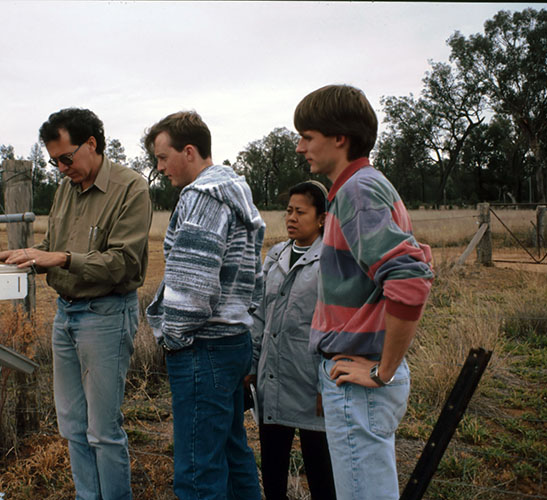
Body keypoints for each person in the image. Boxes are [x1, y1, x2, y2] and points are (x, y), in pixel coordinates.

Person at [0, 108, 152, 500]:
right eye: (54, 162)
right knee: (72, 426)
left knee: (103, 431)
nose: (62, 169)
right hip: (66, 315)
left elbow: (123, 263)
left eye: (66, 158)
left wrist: (61, 259)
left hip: (107, 315)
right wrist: (28, 255)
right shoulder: (66, 188)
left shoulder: (131, 189)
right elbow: (53, 247)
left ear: (92, 144)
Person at [293, 85, 434, 500]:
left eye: (308, 136)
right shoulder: (356, 189)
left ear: (340, 137)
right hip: (356, 380)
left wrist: (382, 370)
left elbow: (409, 279)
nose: (301, 147)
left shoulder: (358, 192)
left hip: (360, 383)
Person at [144, 111, 263, 500]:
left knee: (198, 471)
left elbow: (193, 284)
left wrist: (173, 336)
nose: (160, 168)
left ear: (190, 151)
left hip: (203, 345)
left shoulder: (201, 196)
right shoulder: (235, 191)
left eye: (163, 158)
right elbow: (253, 278)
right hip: (232, 340)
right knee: (232, 451)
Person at [246, 180, 336, 500]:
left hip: (312, 382)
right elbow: (258, 312)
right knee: (272, 470)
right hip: (273, 377)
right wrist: (253, 364)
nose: (291, 218)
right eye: (288, 211)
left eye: (301, 212)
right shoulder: (275, 255)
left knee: (321, 471)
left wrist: (330, 384)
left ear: (322, 218)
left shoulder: (332, 261)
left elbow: (338, 326)